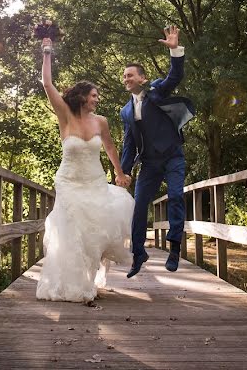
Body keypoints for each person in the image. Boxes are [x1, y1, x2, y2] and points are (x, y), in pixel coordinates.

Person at [35, 37, 135, 303]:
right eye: (93, 96)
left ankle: (87, 281)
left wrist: (119, 172)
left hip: (95, 183)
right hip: (69, 184)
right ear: (81, 96)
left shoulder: (100, 122)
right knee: (72, 234)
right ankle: (73, 285)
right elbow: (47, 84)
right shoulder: (65, 116)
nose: (96, 100)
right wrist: (47, 51)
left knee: (92, 234)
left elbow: (112, 148)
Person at [121, 25, 194, 277]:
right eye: (124, 76)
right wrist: (124, 172)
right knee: (139, 206)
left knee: (175, 196)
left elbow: (174, 77)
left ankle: (174, 248)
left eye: (130, 75)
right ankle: (138, 254)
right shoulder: (126, 111)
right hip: (149, 163)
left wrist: (175, 51)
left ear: (142, 78)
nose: (126, 79)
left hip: (172, 156)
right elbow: (129, 144)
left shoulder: (155, 91)